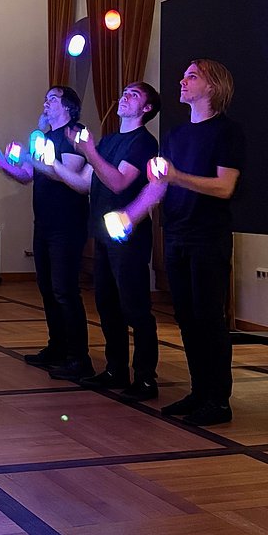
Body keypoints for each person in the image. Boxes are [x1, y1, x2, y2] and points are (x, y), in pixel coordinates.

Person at [115, 59, 244, 426]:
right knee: (186, 318)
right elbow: (158, 186)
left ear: (213, 87)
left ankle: (218, 400)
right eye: (184, 74)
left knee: (208, 319)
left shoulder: (227, 133)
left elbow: (225, 186)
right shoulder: (174, 135)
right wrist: (129, 217)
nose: (182, 81)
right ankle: (199, 391)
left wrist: (178, 176)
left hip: (208, 237)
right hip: (176, 235)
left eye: (192, 76)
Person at [0, 86, 93, 381]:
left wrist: (33, 158)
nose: (46, 103)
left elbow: (65, 174)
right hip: (44, 224)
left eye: (53, 99)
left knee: (65, 290)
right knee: (47, 288)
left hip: (67, 225)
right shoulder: (46, 139)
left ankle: (78, 358)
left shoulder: (75, 134)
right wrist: (1, 163)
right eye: (45, 99)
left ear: (69, 107)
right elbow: (27, 176)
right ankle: (57, 348)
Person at [70, 82, 161, 400]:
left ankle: (146, 378)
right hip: (102, 233)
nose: (124, 96)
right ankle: (115, 369)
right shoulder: (109, 140)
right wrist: (45, 163)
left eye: (134, 95)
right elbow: (86, 183)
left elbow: (120, 182)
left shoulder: (144, 143)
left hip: (129, 236)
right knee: (107, 304)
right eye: (124, 92)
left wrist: (90, 152)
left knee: (135, 307)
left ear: (146, 109)